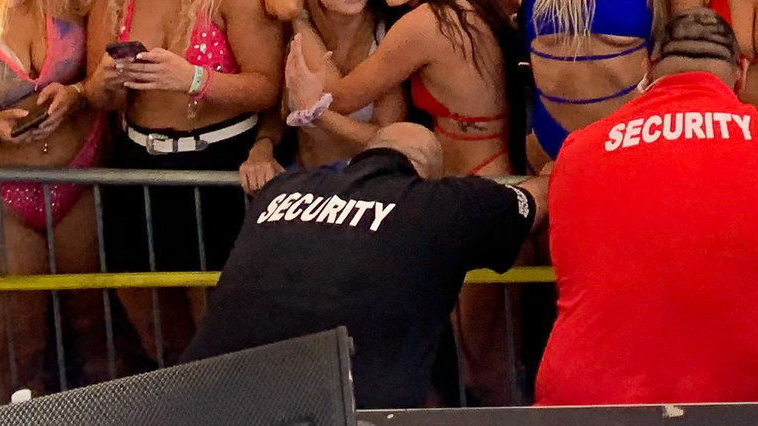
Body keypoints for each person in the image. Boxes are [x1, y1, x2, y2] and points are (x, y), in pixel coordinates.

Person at [177, 120, 534, 408]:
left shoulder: (283, 188)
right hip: (331, 408)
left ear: (356, 161)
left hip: (194, 398)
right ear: (428, 177)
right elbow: (538, 200)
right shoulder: (438, 205)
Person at [533, 9, 758, 405]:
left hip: (588, 400)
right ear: (741, 72)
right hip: (748, 398)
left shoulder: (579, 149)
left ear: (648, 69)